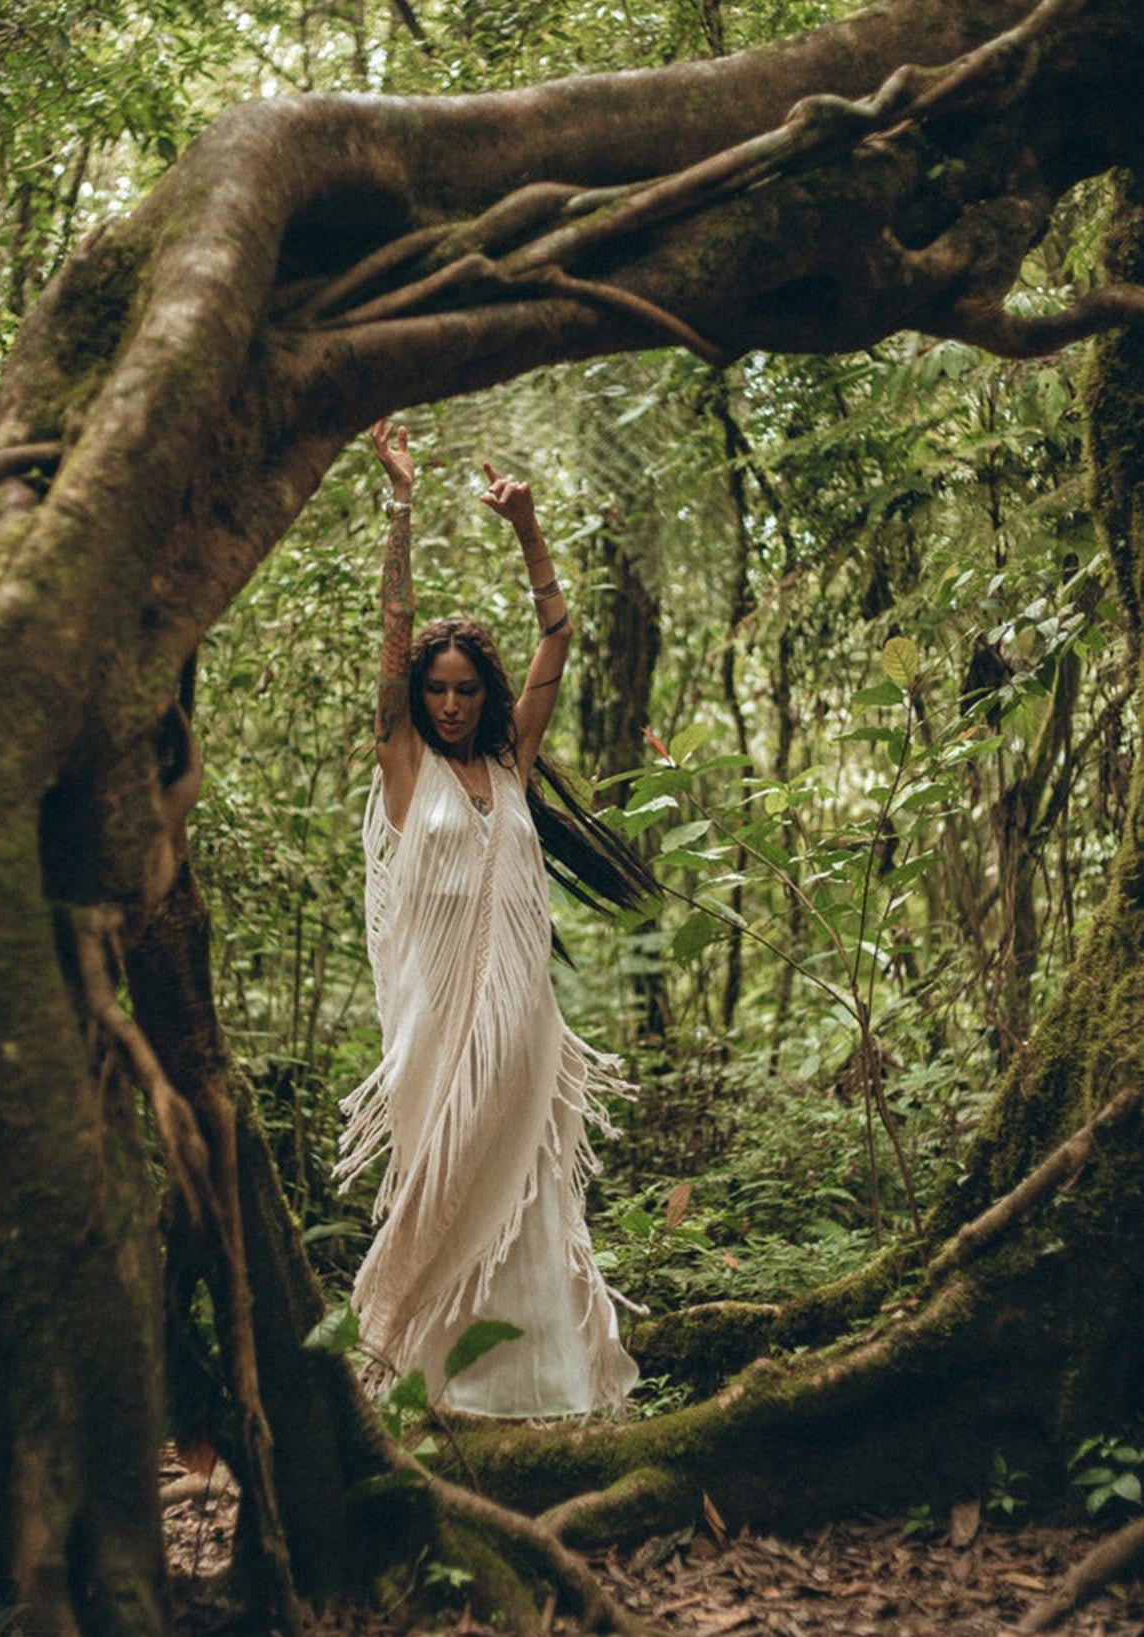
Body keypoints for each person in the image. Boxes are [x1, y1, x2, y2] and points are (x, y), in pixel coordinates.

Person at [336, 417, 650, 1419]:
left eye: (468, 687)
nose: (454, 701)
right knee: (440, 1191)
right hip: (433, 1034)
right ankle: (415, 1383)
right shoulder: (404, 762)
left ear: (488, 692)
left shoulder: (511, 764)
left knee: (525, 1195)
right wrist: (401, 506)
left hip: (521, 1030)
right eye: (439, 688)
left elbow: (558, 634)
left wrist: (528, 528)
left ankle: (540, 1394)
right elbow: (389, 641)